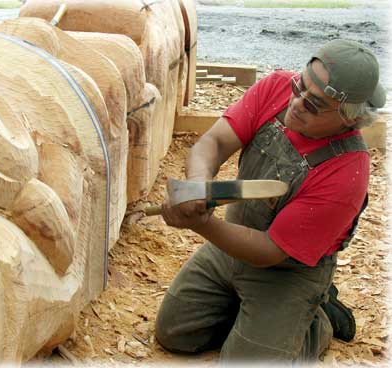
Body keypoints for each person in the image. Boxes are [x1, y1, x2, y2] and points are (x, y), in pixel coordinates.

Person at [155, 39, 386, 362]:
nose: (297, 103)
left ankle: (316, 321)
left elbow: (270, 252)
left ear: (349, 118)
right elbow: (215, 141)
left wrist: (201, 224)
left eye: (315, 104)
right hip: (233, 244)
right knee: (175, 334)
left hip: (286, 271)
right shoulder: (277, 87)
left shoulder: (347, 171)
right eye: (300, 86)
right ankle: (258, 318)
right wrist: (197, 185)